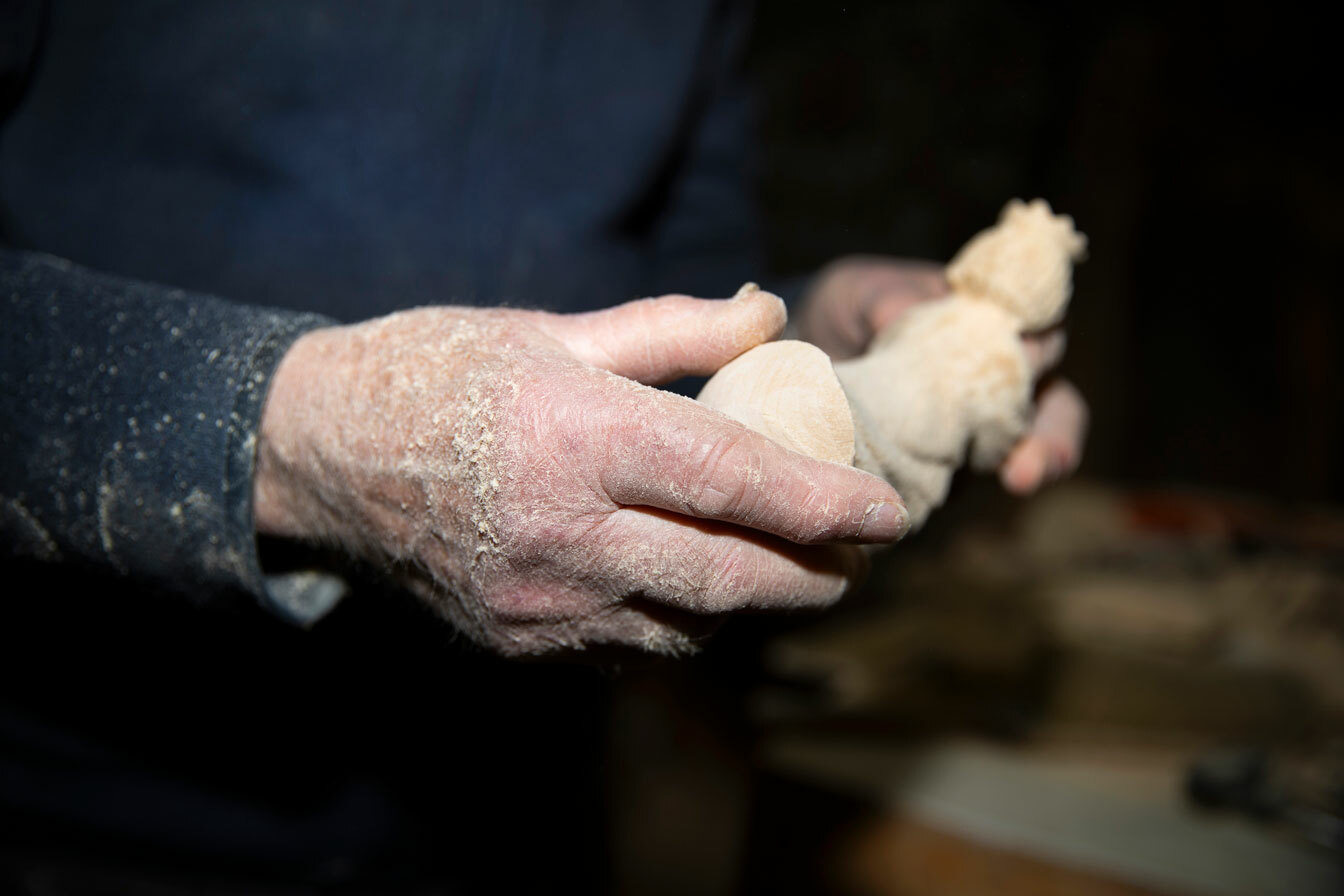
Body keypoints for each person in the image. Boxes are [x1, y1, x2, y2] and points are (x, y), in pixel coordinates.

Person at [0, 1, 1083, 890]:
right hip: (108, 799)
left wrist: (817, 323)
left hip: (521, 799)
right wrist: (307, 431)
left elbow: (686, 261)